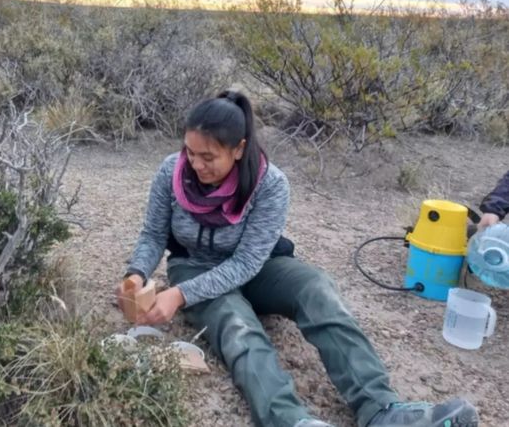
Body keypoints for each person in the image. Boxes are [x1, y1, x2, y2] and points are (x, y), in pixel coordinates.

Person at [116, 90, 479, 427]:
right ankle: (291, 420)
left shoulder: (270, 184)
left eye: (208, 157)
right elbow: (153, 234)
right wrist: (136, 273)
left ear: (239, 149)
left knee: (316, 288)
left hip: (258, 267)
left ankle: (381, 408)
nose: (195, 164)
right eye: (190, 152)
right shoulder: (171, 171)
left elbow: (246, 263)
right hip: (193, 265)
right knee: (236, 324)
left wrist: (179, 295)